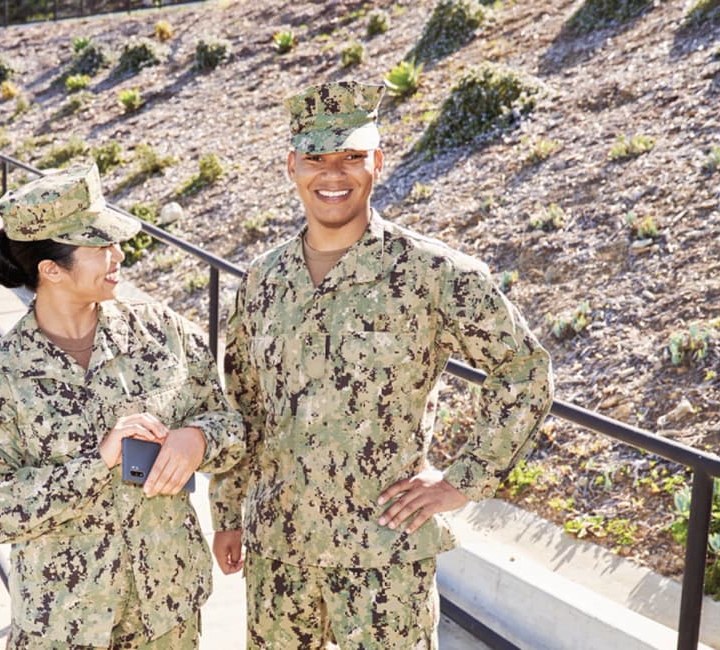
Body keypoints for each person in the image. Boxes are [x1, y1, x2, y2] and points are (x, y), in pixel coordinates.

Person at [209, 80, 554, 648]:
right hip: (280, 556)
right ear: (293, 165)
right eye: (317, 158)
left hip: (383, 560)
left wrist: (462, 480)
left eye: (351, 156)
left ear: (379, 162)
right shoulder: (263, 279)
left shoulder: (432, 273)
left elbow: (523, 371)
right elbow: (241, 401)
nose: (333, 173)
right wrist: (227, 510)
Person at [0, 161, 244, 649]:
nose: (118, 255)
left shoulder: (162, 333)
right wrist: (98, 462)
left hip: (167, 614)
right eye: (100, 246)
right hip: (64, 625)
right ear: (50, 269)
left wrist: (198, 439)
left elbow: (231, 424)